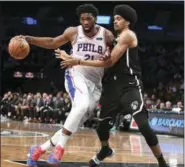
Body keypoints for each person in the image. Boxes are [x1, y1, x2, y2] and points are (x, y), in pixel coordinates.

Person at [55, 4, 169, 167]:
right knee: (101, 126)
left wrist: (77, 60)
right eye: (114, 18)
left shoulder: (128, 35)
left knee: (143, 125)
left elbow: (109, 61)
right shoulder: (114, 40)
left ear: (127, 22)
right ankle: (105, 149)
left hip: (130, 85)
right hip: (112, 86)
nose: (115, 21)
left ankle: (161, 161)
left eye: (119, 18)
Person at [19, 4, 114, 166]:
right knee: (82, 105)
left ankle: (38, 150)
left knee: (76, 121)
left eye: (88, 18)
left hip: (95, 83)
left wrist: (109, 54)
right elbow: (52, 42)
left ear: (95, 19)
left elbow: (112, 57)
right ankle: (59, 149)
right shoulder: (73, 32)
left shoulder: (107, 35)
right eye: (82, 18)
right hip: (75, 74)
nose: (85, 21)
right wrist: (30, 39)